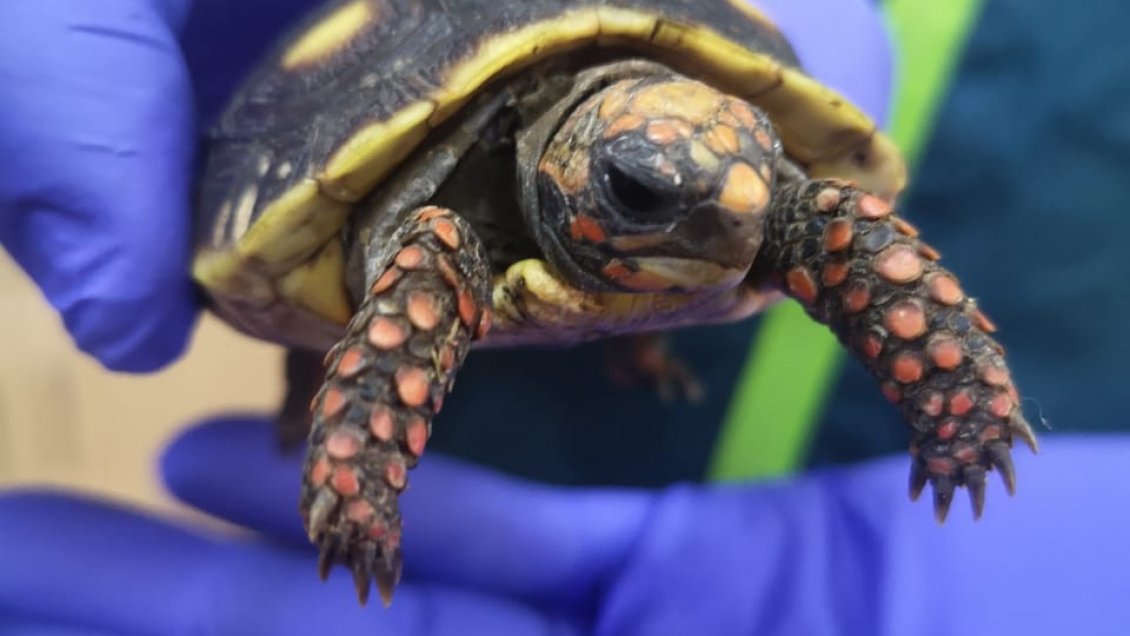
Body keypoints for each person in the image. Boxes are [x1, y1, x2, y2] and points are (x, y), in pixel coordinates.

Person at [1, 0, 1127, 634]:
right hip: (457, 322)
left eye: (749, 206)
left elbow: (820, 223)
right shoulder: (445, 237)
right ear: (562, 171)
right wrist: (356, 462)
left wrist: (962, 409)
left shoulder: (738, 193)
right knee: (428, 262)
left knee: (823, 221)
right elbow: (407, 258)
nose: (727, 234)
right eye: (640, 198)